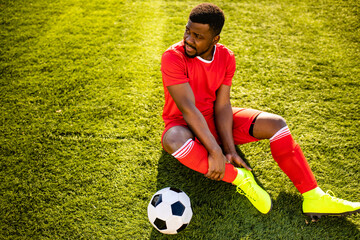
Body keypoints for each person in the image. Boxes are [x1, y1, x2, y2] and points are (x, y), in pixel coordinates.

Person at [160, 3, 360, 219]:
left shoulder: (226, 57)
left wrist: (229, 149)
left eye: (198, 36)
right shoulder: (173, 57)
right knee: (172, 140)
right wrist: (215, 152)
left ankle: (314, 196)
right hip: (184, 125)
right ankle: (239, 178)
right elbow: (188, 109)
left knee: (276, 124)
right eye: (187, 31)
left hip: (213, 120)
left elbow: (223, 105)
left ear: (215, 39)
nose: (189, 39)